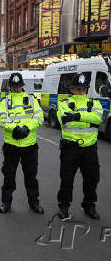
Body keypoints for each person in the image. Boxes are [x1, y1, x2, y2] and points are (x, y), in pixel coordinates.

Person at [57, 73, 103, 220]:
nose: (80, 91)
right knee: (67, 179)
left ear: (86, 90)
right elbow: (65, 121)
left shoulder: (94, 103)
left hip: (90, 148)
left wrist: (76, 116)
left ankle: (89, 205)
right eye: (77, 89)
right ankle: (64, 206)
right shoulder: (64, 103)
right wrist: (87, 121)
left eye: (83, 89)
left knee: (92, 179)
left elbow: (98, 119)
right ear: (71, 89)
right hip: (70, 147)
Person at [0, 72, 44, 214]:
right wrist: (15, 129)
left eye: (18, 86)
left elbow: (39, 116)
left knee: (31, 177)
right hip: (11, 145)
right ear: (10, 87)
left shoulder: (31, 99)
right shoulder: (4, 102)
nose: (16, 89)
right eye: (13, 86)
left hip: (29, 146)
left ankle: (34, 203)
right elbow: (2, 119)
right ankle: (6, 203)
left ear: (22, 85)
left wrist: (26, 128)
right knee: (9, 177)